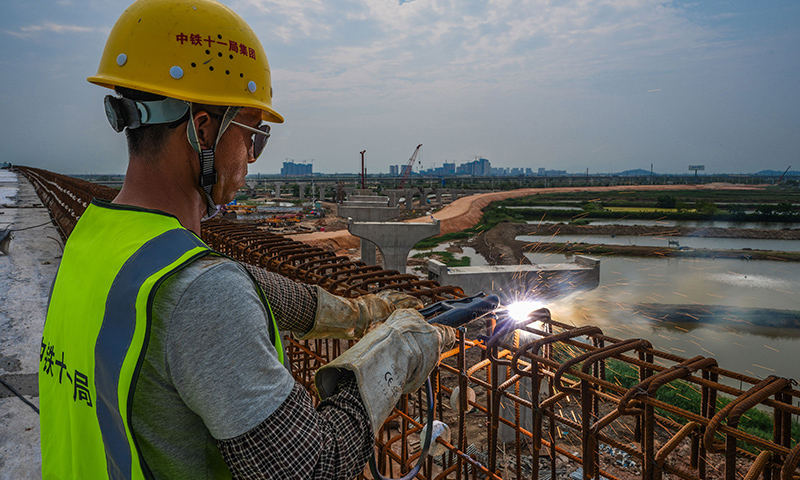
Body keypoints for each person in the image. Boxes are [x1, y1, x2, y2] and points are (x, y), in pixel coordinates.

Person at [37, 0, 454, 478]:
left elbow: (224, 284)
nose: (251, 160)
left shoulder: (95, 242)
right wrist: (394, 355)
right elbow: (315, 465)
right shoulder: (201, 295)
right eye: (252, 136)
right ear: (203, 129)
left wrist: (364, 313)